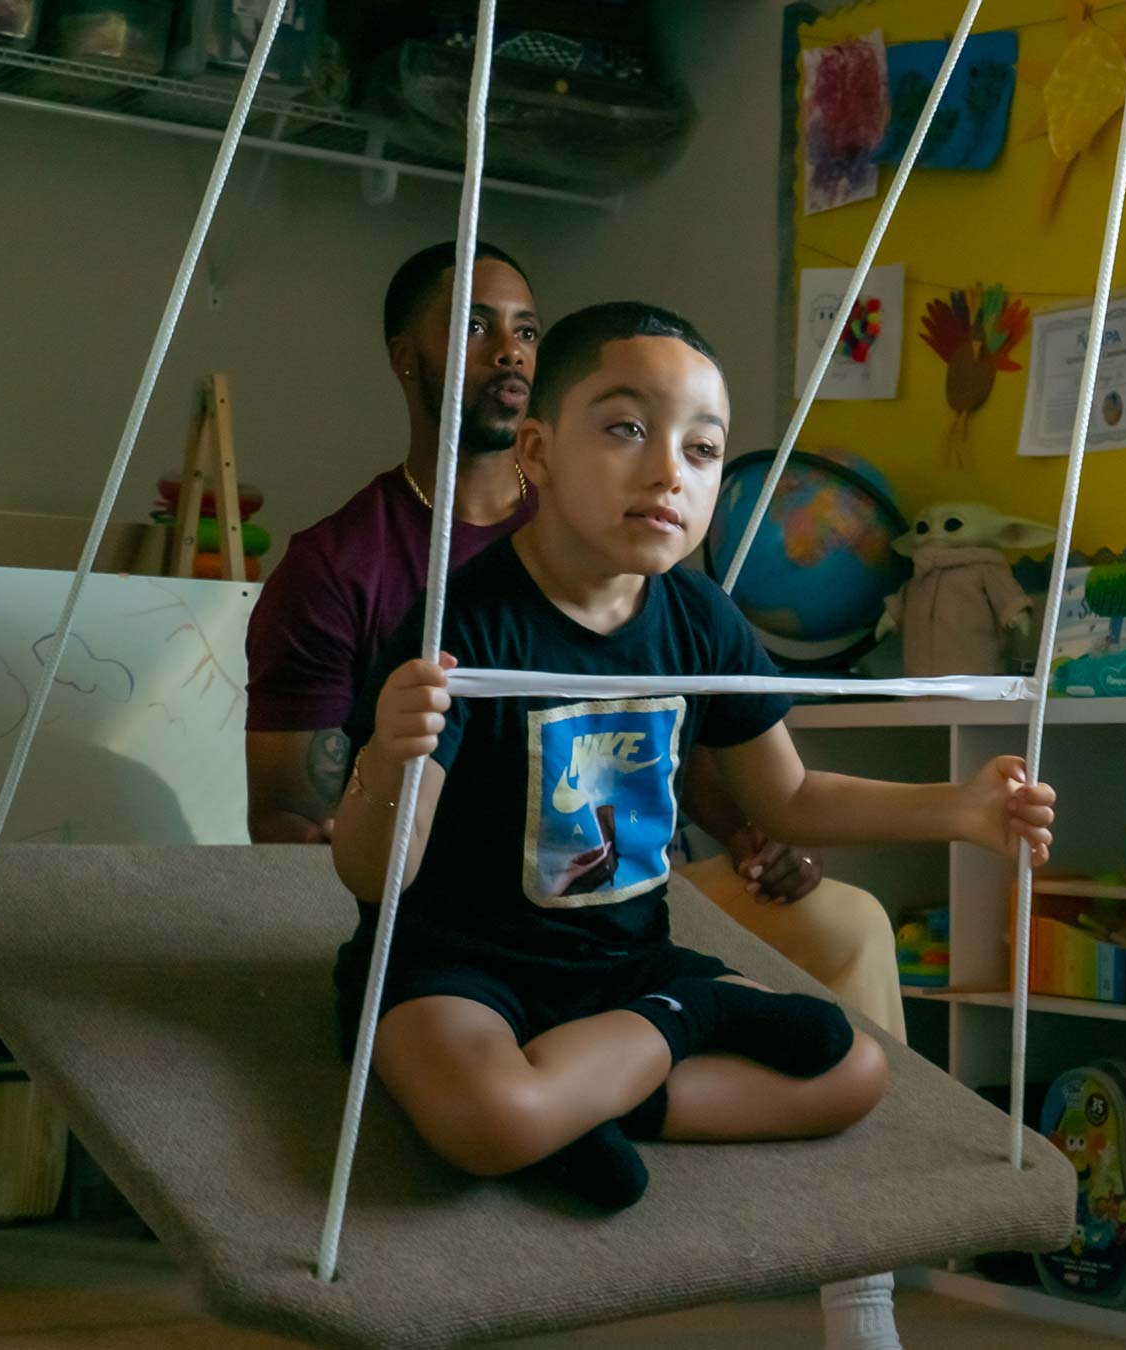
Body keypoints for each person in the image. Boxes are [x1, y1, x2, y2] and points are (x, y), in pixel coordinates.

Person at [240, 245, 909, 1345]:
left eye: (525, 326)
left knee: (848, 932)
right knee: (481, 1089)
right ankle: (590, 1092)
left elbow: (704, 749)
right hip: (460, 908)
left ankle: (857, 1263)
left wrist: (752, 829)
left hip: (620, 906)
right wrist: (385, 782)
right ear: (408, 359)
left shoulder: (670, 577)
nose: (507, 348)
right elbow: (296, 817)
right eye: (472, 325)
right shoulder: (357, 569)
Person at [329, 297, 1054, 1228]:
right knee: (488, 1118)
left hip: (623, 969)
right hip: (460, 971)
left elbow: (788, 797)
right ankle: (653, 1047)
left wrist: (957, 810)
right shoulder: (462, 624)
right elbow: (369, 875)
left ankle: (597, 1090)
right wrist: (391, 757)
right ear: (538, 454)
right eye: (628, 429)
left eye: (702, 451)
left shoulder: (700, 618)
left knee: (855, 1073)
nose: (669, 470)